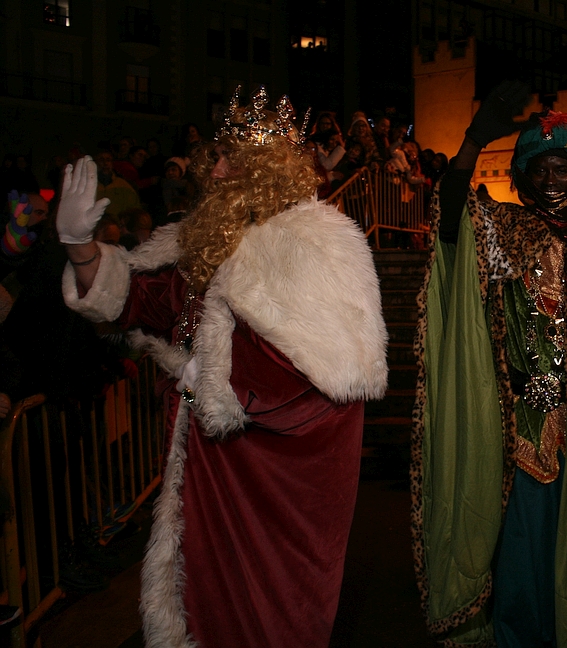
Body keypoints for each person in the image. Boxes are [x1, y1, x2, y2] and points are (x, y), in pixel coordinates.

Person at [57, 86, 388, 647]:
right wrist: (79, 246)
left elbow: (333, 373)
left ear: (263, 170)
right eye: (215, 157)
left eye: (229, 160)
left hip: (269, 486)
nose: (213, 171)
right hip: (208, 473)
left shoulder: (316, 244)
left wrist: (217, 378)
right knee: (203, 606)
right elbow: (140, 299)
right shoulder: (203, 240)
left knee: (266, 616)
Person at [411, 81, 567, 647]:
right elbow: (450, 218)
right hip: (519, 426)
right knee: (521, 550)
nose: (550, 180)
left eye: (561, 168)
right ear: (525, 174)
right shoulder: (504, 228)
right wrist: (472, 143)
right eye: (540, 169)